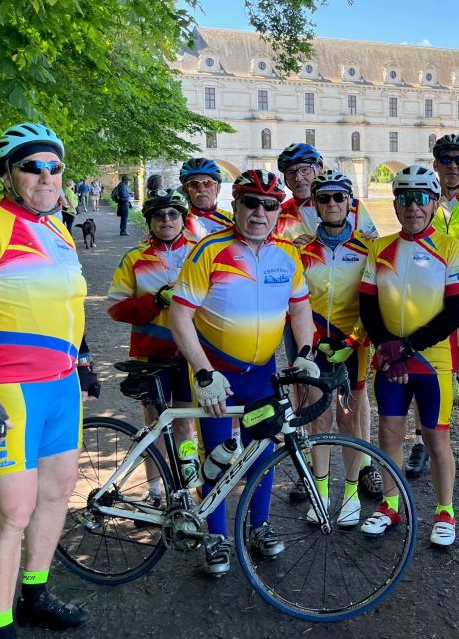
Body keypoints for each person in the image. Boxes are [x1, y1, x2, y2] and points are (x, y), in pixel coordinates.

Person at [0, 122, 100, 639]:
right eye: (32, 166)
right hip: (10, 391)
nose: (46, 175)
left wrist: (85, 356)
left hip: (61, 387)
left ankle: (34, 595)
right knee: (13, 513)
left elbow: (68, 303)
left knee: (57, 496)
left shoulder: (57, 228)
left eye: (54, 166)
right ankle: (1, 625)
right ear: (8, 174)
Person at [169, 168, 319, 576]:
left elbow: (300, 306)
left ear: (277, 211)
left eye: (269, 205)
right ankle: (215, 534)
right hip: (216, 371)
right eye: (250, 202)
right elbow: (179, 315)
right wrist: (202, 372)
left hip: (262, 373)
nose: (259, 212)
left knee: (262, 450)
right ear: (234, 205)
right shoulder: (210, 250)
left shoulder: (287, 254)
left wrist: (305, 351)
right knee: (218, 455)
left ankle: (260, 527)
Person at [358, 165, 459, 548]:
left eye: (422, 198)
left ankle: (445, 511)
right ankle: (391, 505)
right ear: (395, 204)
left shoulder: (450, 247)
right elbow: (368, 307)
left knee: (436, 439)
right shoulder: (379, 248)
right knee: (388, 433)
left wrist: (406, 348)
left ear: (435, 203)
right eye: (405, 199)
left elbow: (457, 310)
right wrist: (388, 347)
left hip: (433, 361)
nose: (413, 207)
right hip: (390, 358)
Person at [298, 170, 383, 521]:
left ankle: (350, 496)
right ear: (315, 205)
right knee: (318, 422)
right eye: (323, 198)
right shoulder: (300, 250)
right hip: (315, 344)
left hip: (354, 346)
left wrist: (354, 340)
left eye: (338, 197)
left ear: (350, 203)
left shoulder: (368, 248)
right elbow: (294, 303)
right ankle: (320, 495)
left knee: (350, 420)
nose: (331, 203)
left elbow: (375, 302)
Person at [402, 134, 459, 482]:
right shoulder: (424, 199)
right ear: (435, 165)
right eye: (446, 160)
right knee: (425, 369)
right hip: (427, 299)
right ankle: (421, 440)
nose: (453, 166)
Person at [107, 188, 197, 498]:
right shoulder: (134, 257)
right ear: (149, 222)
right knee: (156, 426)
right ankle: (155, 491)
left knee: (186, 424)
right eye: (159, 215)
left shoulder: (200, 253)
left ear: (183, 219)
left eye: (173, 214)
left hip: (191, 352)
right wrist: (155, 301)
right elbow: (116, 307)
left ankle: (189, 487)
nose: (167, 220)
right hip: (151, 355)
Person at [274, 143, 378, 244]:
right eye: (291, 173)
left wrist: (371, 242)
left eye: (305, 170)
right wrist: (290, 251)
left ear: (319, 170)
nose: (298, 178)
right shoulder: (276, 214)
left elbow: (377, 248)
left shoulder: (353, 206)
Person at [178, 157, 233, 242]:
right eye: (194, 184)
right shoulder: (176, 223)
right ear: (186, 190)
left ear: (217, 188)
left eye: (208, 183)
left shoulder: (233, 222)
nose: (202, 189)